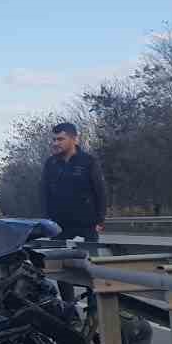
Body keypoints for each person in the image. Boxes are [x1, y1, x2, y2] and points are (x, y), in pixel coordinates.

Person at [42, 122, 108, 309]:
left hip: (86, 224)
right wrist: (47, 222)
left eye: (60, 139)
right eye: (54, 139)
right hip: (59, 226)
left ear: (74, 139)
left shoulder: (88, 161)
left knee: (90, 268)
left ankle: (95, 306)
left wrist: (100, 219)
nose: (56, 143)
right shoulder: (50, 164)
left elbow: (100, 191)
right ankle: (69, 307)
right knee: (62, 269)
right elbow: (45, 194)